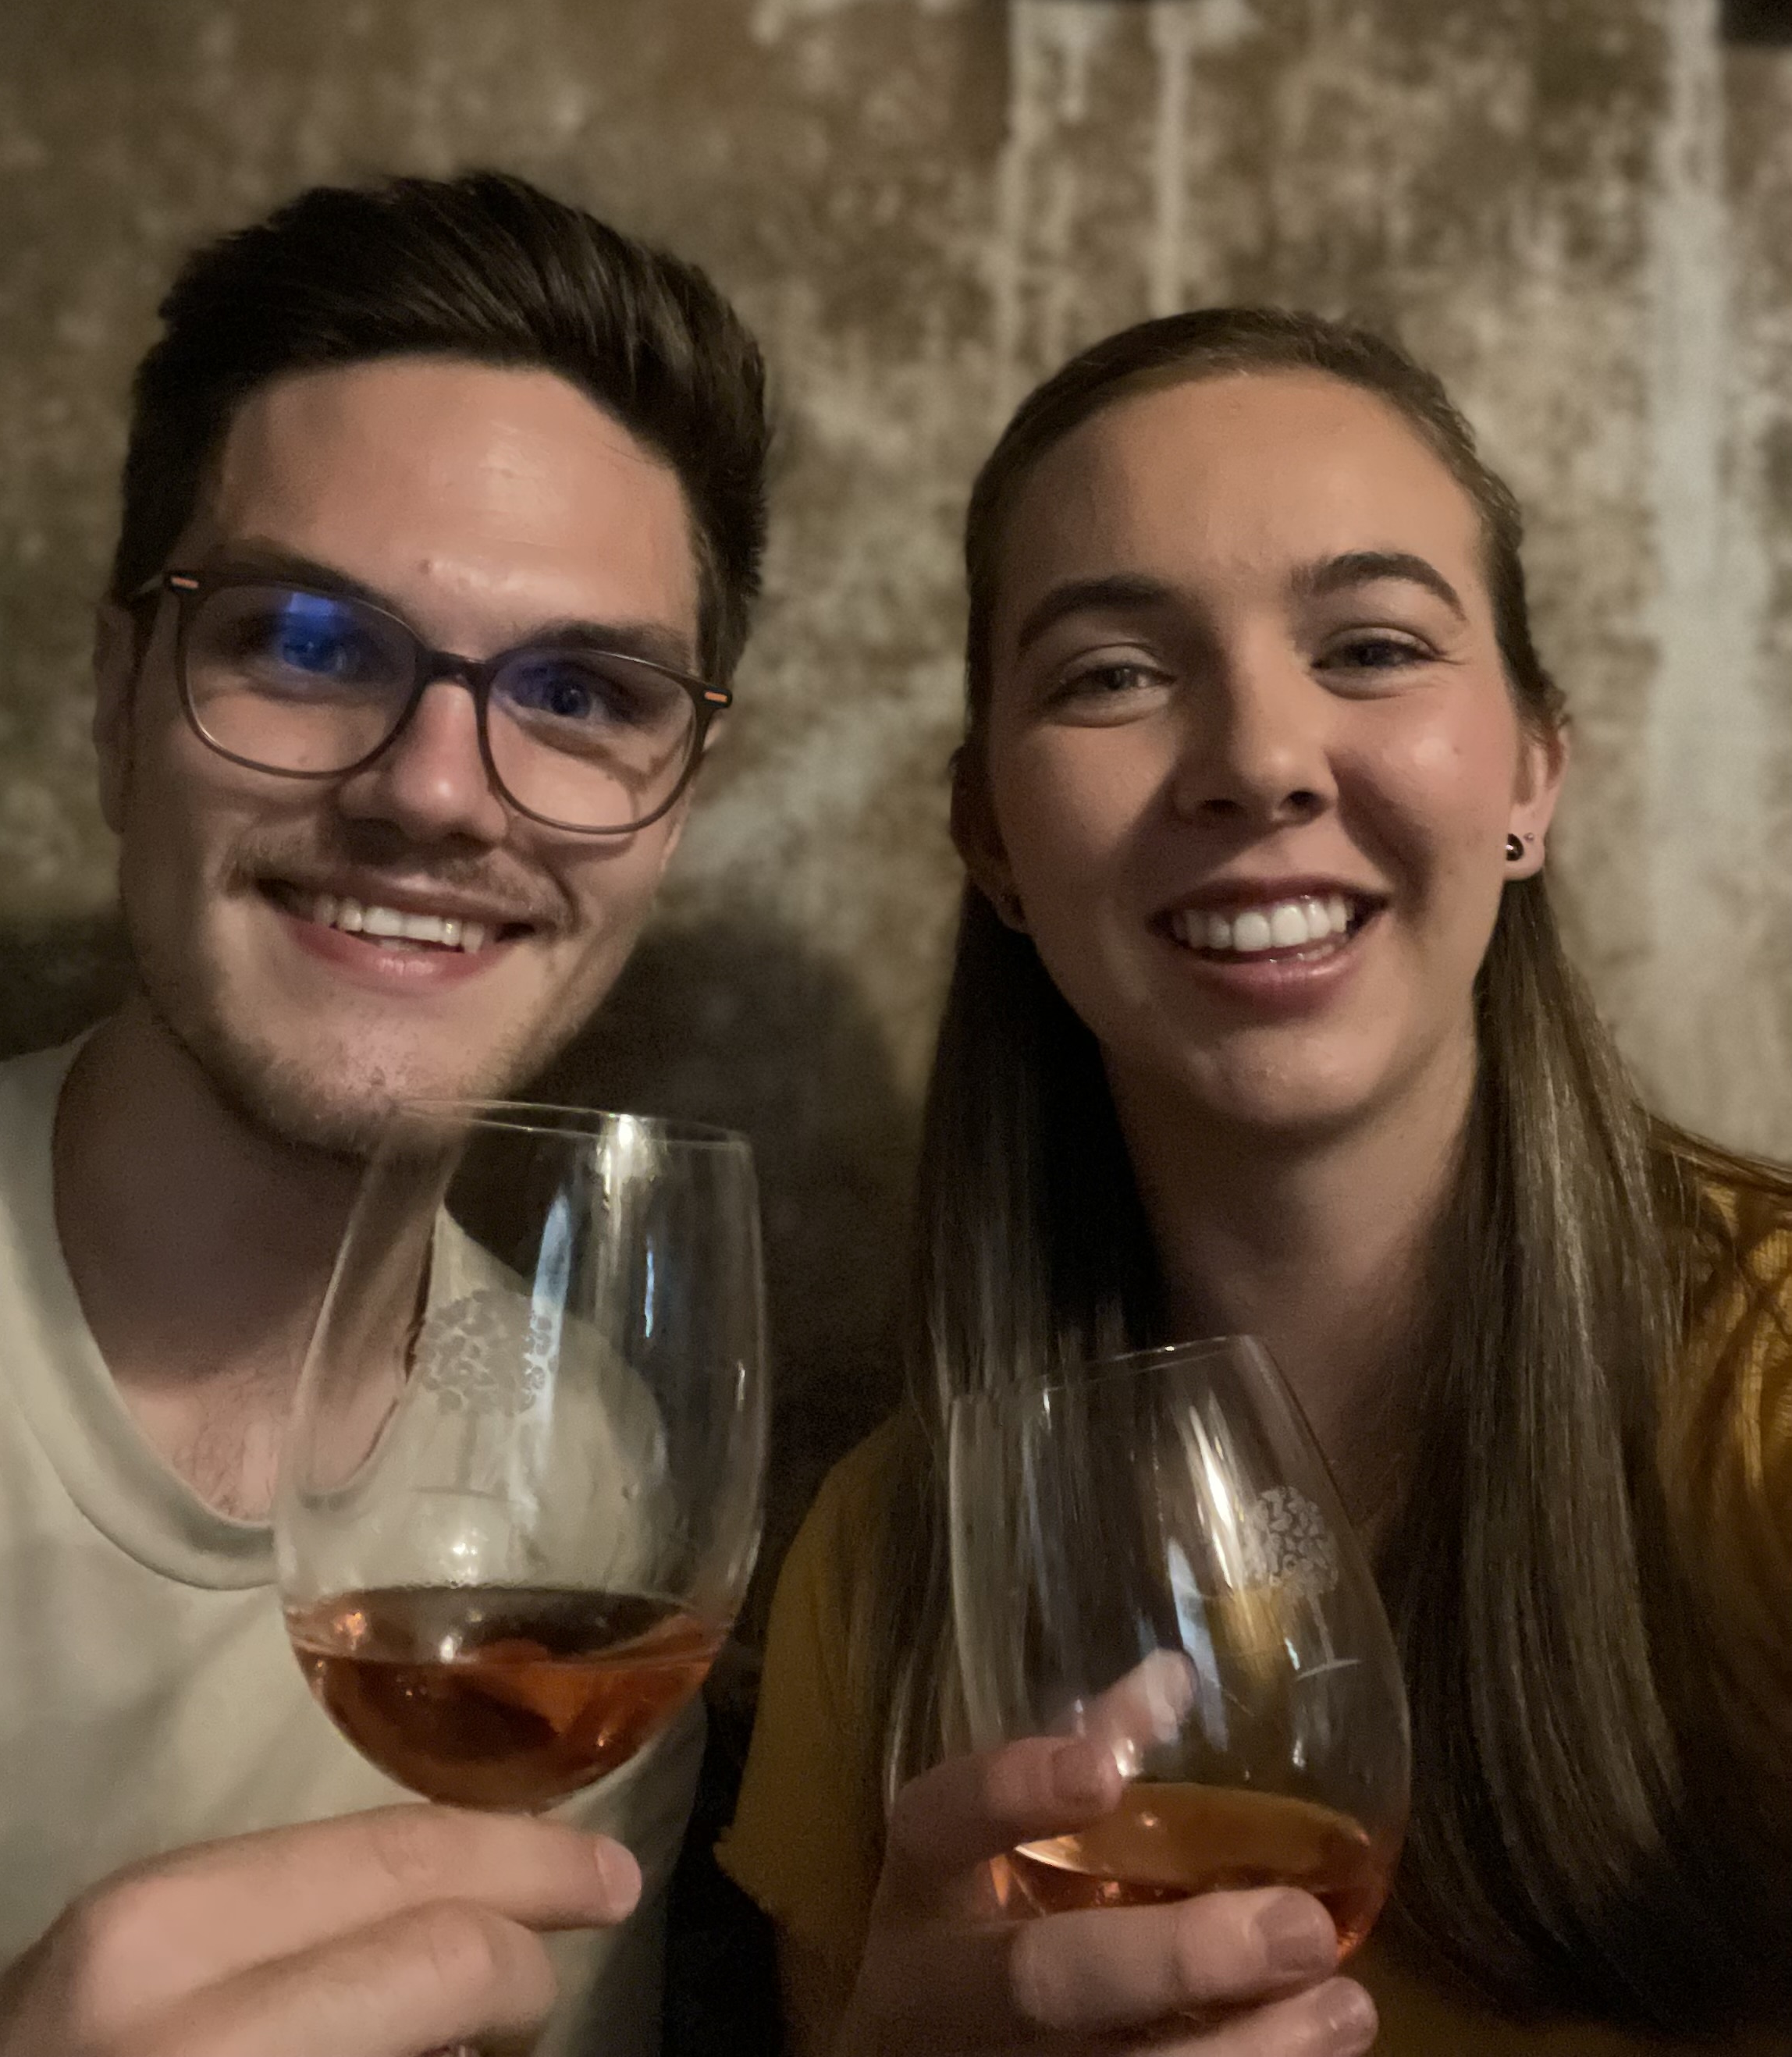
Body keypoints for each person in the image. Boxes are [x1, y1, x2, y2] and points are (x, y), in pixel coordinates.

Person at [720, 307, 1792, 2056]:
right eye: (1112, 675)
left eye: (1370, 647)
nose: (1259, 759)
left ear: (1533, 772)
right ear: (992, 837)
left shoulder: (1766, 1396)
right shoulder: (890, 1559)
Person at [0, 170, 770, 2057]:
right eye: (309, 643)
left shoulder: (603, 1484)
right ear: (118, 697)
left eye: (579, 690)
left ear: (674, 800)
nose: (433, 791)